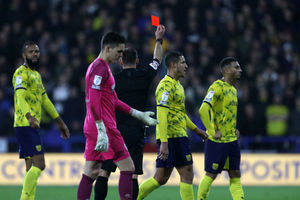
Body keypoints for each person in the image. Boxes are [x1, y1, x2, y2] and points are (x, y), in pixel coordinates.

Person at [77, 32, 158, 200]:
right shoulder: (100, 69)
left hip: (94, 125)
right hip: (104, 126)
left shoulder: (99, 67)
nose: (121, 56)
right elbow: (93, 100)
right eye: (119, 52)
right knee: (128, 167)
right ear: (108, 48)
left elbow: (113, 100)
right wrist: (101, 129)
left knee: (91, 171)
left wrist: (138, 114)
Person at [94, 25, 165, 200]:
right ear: (138, 61)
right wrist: (158, 39)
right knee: (132, 174)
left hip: (114, 130)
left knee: (104, 172)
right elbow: (157, 59)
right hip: (136, 130)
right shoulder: (145, 75)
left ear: (120, 61)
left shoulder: (113, 81)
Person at [137, 51, 208, 200]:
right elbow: (161, 115)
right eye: (183, 63)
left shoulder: (178, 86)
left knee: (161, 178)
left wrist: (197, 130)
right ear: (174, 65)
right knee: (186, 173)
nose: (186, 66)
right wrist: (164, 143)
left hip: (179, 136)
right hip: (170, 137)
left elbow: (181, 114)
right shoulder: (165, 86)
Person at [12, 41, 70, 200]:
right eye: (31, 52)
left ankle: (28, 198)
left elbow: (46, 101)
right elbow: (20, 96)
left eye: (37, 52)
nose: (35, 54)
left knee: (30, 167)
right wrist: (29, 116)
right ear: (24, 55)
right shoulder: (20, 73)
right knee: (40, 164)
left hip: (32, 125)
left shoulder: (36, 76)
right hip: (25, 124)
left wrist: (60, 122)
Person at [197, 57, 244, 200]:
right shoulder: (216, 87)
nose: (240, 70)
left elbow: (227, 113)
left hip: (231, 140)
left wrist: (234, 129)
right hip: (218, 142)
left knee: (235, 174)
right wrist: (211, 132)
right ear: (227, 70)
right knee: (211, 175)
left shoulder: (233, 90)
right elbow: (203, 110)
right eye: (236, 67)